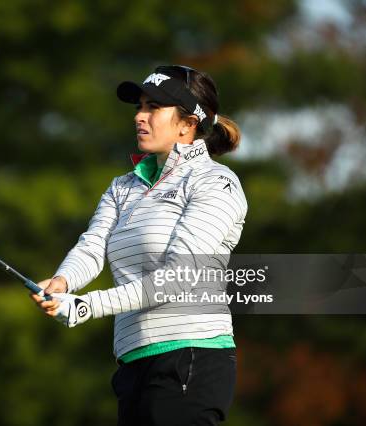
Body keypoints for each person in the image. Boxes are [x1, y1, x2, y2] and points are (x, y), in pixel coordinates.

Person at [31, 65, 248, 426]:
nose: (140, 117)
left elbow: (178, 278)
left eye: (153, 108)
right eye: (139, 107)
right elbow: (92, 246)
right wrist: (62, 283)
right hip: (134, 364)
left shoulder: (216, 182)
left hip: (190, 359)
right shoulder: (124, 186)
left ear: (187, 123)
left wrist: (85, 307)